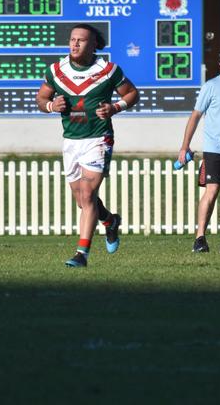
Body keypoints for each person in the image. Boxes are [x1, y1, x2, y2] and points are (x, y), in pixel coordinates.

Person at [35, 23, 139, 268]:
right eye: (72, 39)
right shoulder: (57, 70)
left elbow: (132, 94)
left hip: (98, 138)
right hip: (71, 140)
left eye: (81, 40)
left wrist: (114, 107)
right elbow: (41, 98)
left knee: (88, 194)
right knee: (82, 201)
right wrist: (51, 106)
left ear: (94, 46)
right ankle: (110, 221)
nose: (75, 44)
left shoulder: (108, 70)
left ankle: (82, 254)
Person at [177, 46, 220, 253]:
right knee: (212, 191)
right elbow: (195, 116)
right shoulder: (211, 86)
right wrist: (184, 146)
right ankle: (200, 237)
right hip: (214, 150)